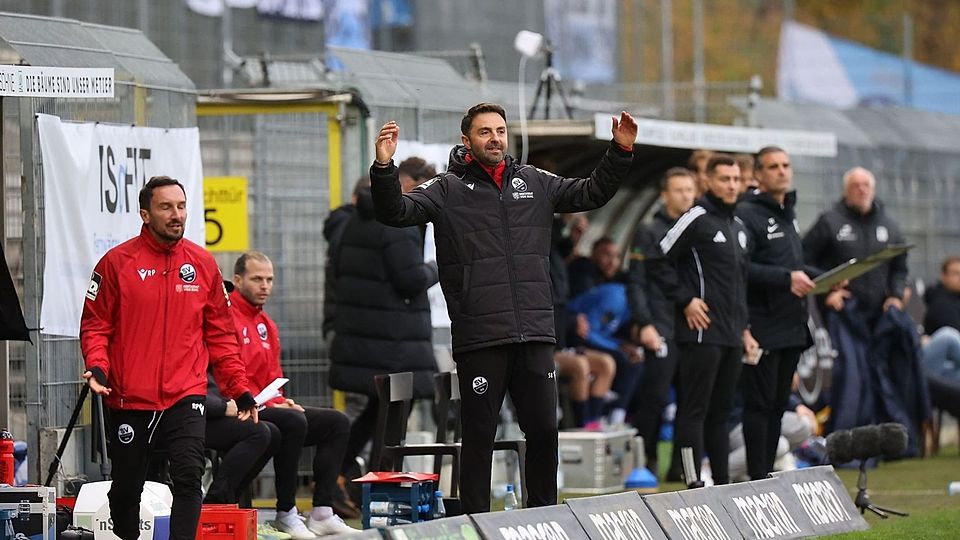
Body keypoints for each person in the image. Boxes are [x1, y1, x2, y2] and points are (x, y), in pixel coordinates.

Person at [369, 102, 637, 512]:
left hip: (534, 329)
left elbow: (590, 192)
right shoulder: (445, 189)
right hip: (481, 335)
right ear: (467, 140)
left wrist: (619, 151)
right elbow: (395, 212)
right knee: (480, 433)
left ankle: (543, 514)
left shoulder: (533, 181)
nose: (495, 138)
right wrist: (385, 168)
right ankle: (478, 520)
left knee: (545, 429)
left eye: (500, 131)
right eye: (484, 132)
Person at [80, 176, 258, 540]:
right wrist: (98, 365)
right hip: (131, 396)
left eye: (180, 206)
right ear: (145, 214)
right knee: (128, 487)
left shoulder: (202, 264)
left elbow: (222, 336)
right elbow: (96, 325)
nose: (176, 215)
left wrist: (238, 388)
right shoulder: (116, 263)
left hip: (185, 393)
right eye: (166, 207)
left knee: (189, 476)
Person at [231, 252, 356, 537]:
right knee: (293, 422)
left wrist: (282, 400)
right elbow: (229, 374)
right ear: (237, 280)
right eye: (257, 279)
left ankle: (323, 511)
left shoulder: (266, 324)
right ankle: (285, 512)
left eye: (270, 279)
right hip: (241, 407)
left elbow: (272, 376)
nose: (265, 286)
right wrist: (265, 403)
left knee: (336, 422)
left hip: (267, 405)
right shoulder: (227, 320)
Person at [329, 175, 440, 496]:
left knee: (376, 412)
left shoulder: (354, 221)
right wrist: (439, 266)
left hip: (366, 338)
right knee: (390, 418)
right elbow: (410, 279)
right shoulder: (396, 224)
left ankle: (335, 478)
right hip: (392, 342)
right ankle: (379, 491)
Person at [657, 154, 758, 486]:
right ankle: (691, 481)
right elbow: (657, 259)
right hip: (701, 334)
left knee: (722, 413)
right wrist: (685, 300)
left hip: (731, 335)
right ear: (709, 182)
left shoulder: (739, 227)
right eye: (724, 179)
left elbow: (740, 285)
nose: (731, 185)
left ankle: (723, 483)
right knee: (694, 410)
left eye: (735, 179)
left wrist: (744, 329)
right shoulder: (696, 218)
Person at [735, 146, 820, 480]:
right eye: (773, 166)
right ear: (758, 174)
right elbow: (741, 268)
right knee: (759, 405)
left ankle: (767, 474)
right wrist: (787, 279)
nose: (782, 171)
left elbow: (791, 265)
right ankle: (757, 477)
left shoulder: (788, 211)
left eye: (786, 165)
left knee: (777, 406)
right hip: (762, 324)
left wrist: (824, 276)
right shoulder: (747, 213)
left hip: (791, 324)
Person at [627, 167, 697, 474]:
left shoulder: (699, 229)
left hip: (692, 327)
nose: (685, 195)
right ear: (664, 195)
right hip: (660, 324)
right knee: (654, 398)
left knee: (691, 401)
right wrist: (645, 323)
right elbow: (636, 281)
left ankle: (683, 468)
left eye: (689, 189)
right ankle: (647, 461)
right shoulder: (649, 231)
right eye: (678, 190)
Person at [802, 166, 908, 323]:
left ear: (873, 190)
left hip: (881, 312)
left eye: (866, 185)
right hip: (842, 309)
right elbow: (804, 260)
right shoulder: (829, 222)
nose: (862, 190)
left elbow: (899, 268)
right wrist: (828, 291)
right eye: (855, 185)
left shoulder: (889, 226)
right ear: (845, 191)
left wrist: (896, 295)